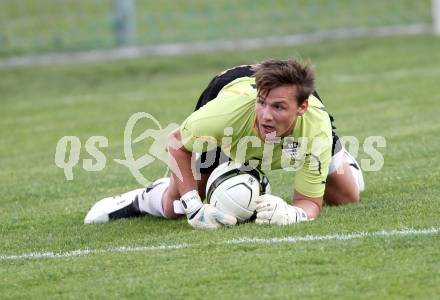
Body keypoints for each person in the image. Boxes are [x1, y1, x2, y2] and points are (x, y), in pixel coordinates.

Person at [84, 59, 364, 229]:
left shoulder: (315, 126)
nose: (266, 115)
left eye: (278, 107)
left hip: (308, 131)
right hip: (228, 99)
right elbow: (175, 144)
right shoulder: (222, 114)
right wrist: (194, 205)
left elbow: (307, 203)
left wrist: (293, 214)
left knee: (347, 196)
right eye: (262, 103)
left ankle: (338, 159)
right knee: (175, 207)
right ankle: (141, 199)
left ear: (301, 108)